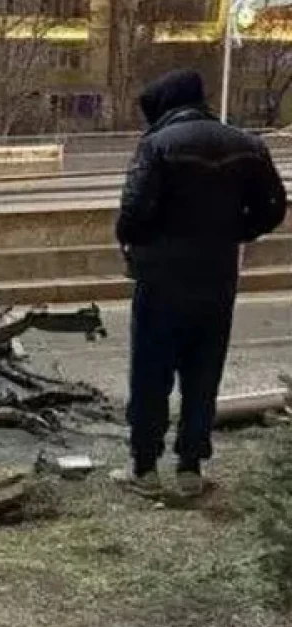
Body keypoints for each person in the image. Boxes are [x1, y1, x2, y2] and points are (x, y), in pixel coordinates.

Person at [115, 70, 287, 498]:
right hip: (216, 278)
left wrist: (143, 244)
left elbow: (133, 214)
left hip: (161, 279)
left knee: (152, 372)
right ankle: (190, 467)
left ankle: (145, 468)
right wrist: (234, 233)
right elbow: (273, 206)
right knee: (203, 373)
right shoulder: (247, 144)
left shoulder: (158, 145)